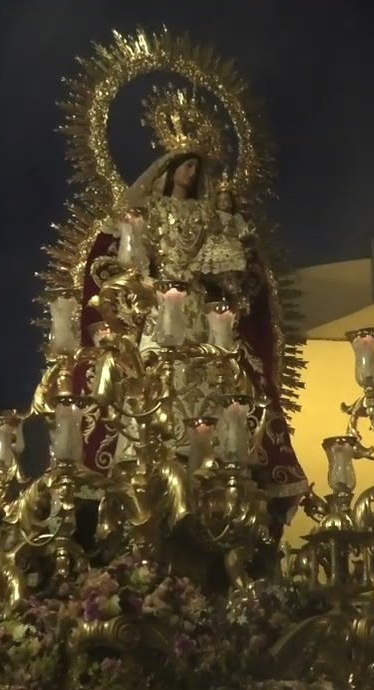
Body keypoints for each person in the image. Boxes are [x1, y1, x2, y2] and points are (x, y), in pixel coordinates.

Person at [69, 147, 308, 570]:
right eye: (184, 165)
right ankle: (148, 457)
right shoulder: (154, 209)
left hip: (200, 307)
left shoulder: (209, 214)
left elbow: (231, 257)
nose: (190, 173)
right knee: (150, 376)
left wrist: (228, 260)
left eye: (196, 167)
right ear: (168, 170)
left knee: (218, 376)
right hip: (162, 306)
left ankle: (214, 453)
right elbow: (128, 243)